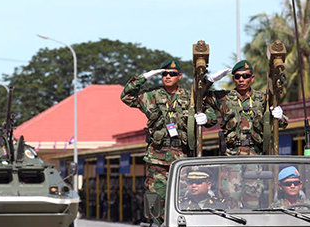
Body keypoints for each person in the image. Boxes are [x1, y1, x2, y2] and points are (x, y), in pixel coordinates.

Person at [121, 58, 217, 208]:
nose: (167, 77)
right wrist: (145, 77)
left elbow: (211, 115)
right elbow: (126, 96)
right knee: (156, 198)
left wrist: (206, 118)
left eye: (172, 74)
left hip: (182, 156)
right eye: (164, 74)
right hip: (157, 157)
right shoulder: (152, 96)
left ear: (179, 76)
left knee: (183, 196)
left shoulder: (190, 97)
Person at [205, 59, 289, 155]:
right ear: (233, 79)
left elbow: (284, 123)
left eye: (245, 76)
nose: (241, 79)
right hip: (230, 155)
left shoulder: (263, 99)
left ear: (252, 78)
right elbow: (200, 97)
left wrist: (279, 115)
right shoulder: (224, 97)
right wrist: (209, 81)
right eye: (237, 76)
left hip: (256, 155)